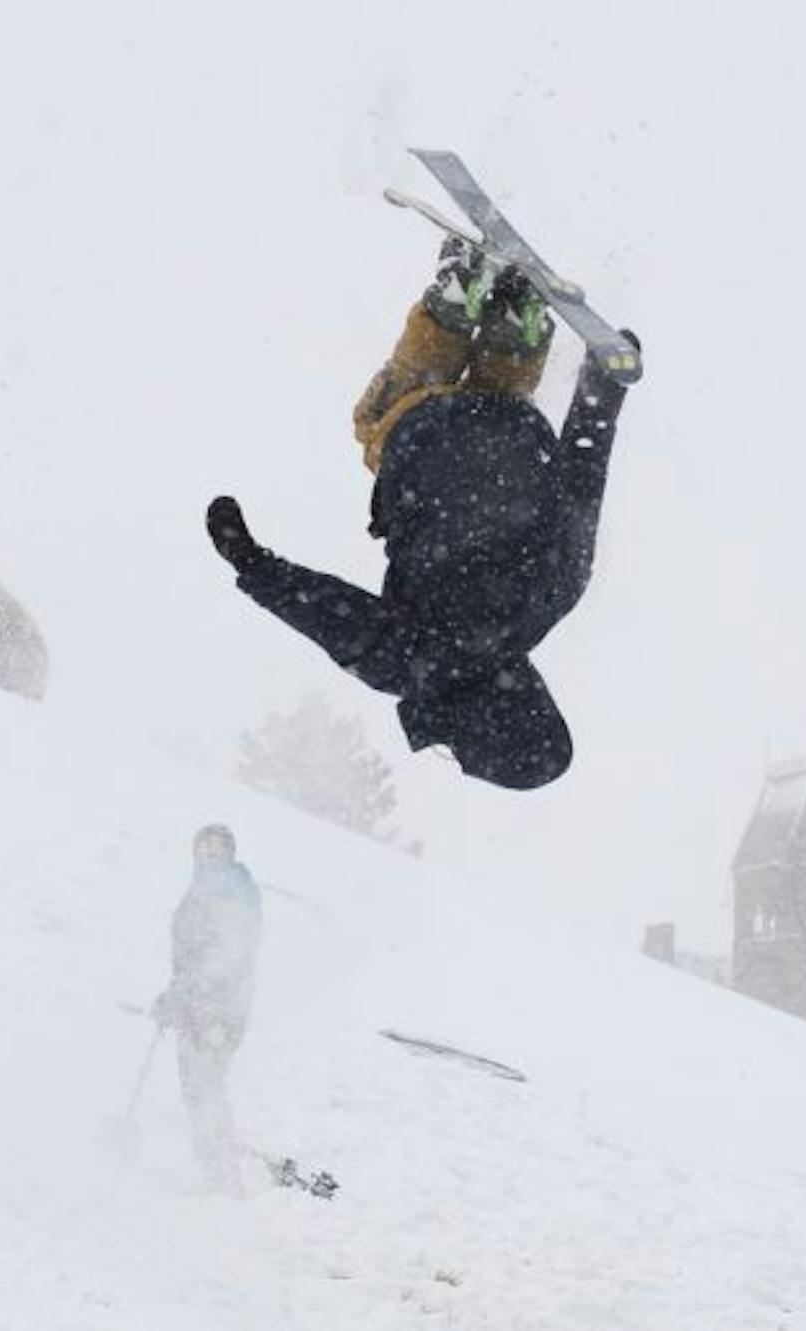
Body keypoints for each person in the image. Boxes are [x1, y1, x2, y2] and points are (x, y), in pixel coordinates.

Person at [204, 238, 642, 790]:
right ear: (479, 733)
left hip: (516, 435)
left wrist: (604, 386)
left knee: (498, 400)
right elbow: (334, 616)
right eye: (463, 753)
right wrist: (253, 563)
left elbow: (583, 479)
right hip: (430, 453)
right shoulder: (422, 666)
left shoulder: (558, 597)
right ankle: (455, 298)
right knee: (383, 416)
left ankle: (518, 319)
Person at [151, 824, 262, 1193]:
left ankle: (223, 1179)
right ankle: (217, 1173)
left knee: (204, 1087)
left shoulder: (234, 891)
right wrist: (173, 995)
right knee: (198, 1089)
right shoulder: (198, 893)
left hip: (221, 1009)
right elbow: (188, 959)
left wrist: (191, 990)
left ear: (230, 854)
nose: (211, 855)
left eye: (219, 849)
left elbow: (229, 954)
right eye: (204, 848)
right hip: (197, 1007)